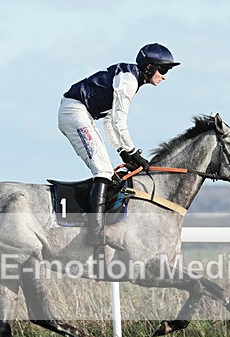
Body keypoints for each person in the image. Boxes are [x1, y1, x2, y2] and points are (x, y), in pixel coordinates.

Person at [58, 43, 180, 246]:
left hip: (81, 113)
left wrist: (122, 151)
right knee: (103, 171)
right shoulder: (128, 81)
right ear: (149, 67)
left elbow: (108, 120)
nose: (165, 76)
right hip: (74, 112)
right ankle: (94, 233)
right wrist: (133, 152)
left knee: (109, 173)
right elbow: (119, 122)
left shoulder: (132, 79)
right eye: (164, 70)